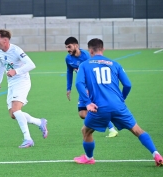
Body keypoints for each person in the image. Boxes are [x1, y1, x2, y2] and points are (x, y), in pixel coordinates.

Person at [74, 38, 163, 166]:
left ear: (90, 51)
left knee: (86, 131)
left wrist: (87, 102)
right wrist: (122, 99)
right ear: (103, 49)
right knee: (137, 130)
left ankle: (89, 158)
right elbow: (127, 84)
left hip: (99, 107)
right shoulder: (115, 64)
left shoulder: (84, 65)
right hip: (118, 105)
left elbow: (79, 83)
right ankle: (156, 154)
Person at [0, 29, 48, 148]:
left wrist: (16, 71)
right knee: (13, 114)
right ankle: (40, 122)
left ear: (5, 40)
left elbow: (31, 65)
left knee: (16, 110)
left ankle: (28, 139)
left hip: (22, 81)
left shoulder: (16, 50)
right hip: (11, 83)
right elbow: (1, 66)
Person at [65, 37, 118, 138]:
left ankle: (111, 129)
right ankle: (105, 123)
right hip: (82, 87)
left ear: (76, 46)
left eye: (69, 46)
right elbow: (69, 72)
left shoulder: (86, 56)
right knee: (82, 113)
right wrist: (68, 88)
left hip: (91, 87)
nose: (68, 49)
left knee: (93, 108)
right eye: (66, 47)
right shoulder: (68, 58)